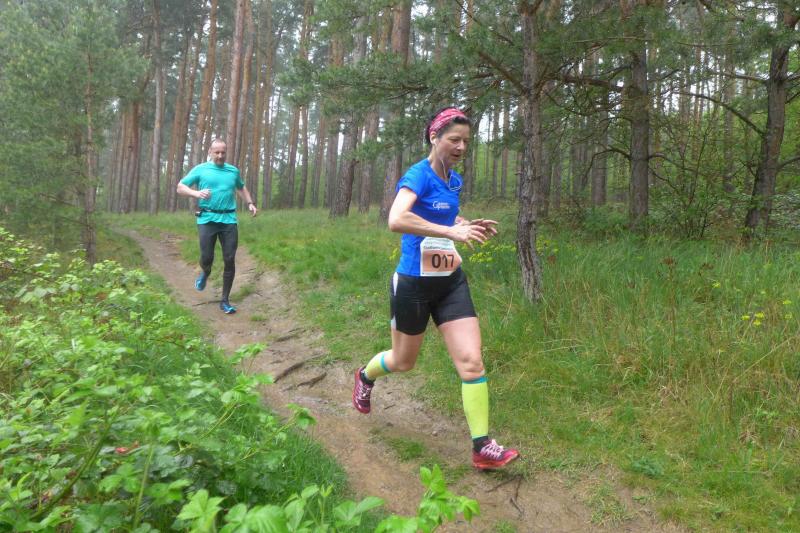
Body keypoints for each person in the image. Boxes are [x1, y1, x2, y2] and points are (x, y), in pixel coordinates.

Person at [352, 107, 519, 470]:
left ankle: (482, 446)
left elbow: (442, 216)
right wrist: (450, 232)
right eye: (454, 140)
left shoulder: (453, 180)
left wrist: (466, 224)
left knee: (471, 362)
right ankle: (365, 376)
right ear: (434, 137)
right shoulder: (419, 175)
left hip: (450, 282)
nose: (461, 147)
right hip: (413, 283)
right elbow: (397, 219)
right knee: (403, 362)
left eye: (466, 142)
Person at [176, 138, 257, 314]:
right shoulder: (201, 169)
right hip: (207, 219)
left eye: (223, 153)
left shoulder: (232, 171)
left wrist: (250, 203)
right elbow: (180, 187)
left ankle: (225, 300)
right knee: (207, 257)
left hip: (229, 220)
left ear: (226, 153)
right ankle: (205, 272)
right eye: (217, 152)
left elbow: (241, 188)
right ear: (210, 152)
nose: (220, 156)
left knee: (229, 258)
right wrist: (196, 193)